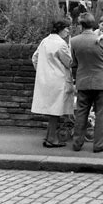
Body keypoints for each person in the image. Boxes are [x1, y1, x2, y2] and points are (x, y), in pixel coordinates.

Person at [71, 12, 103, 153]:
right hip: (102, 82)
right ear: (93, 24)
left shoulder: (73, 41)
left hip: (83, 81)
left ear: (81, 25)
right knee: (101, 114)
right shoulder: (101, 40)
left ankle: (77, 143)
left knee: (81, 113)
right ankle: (98, 144)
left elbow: (73, 62)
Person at [31, 18, 74, 148]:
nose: (68, 31)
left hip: (46, 80)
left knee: (52, 111)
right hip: (58, 80)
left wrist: (42, 72)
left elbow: (35, 58)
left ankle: (50, 136)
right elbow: (69, 62)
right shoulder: (61, 44)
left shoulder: (45, 41)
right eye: (66, 28)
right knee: (55, 111)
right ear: (60, 29)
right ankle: (51, 139)